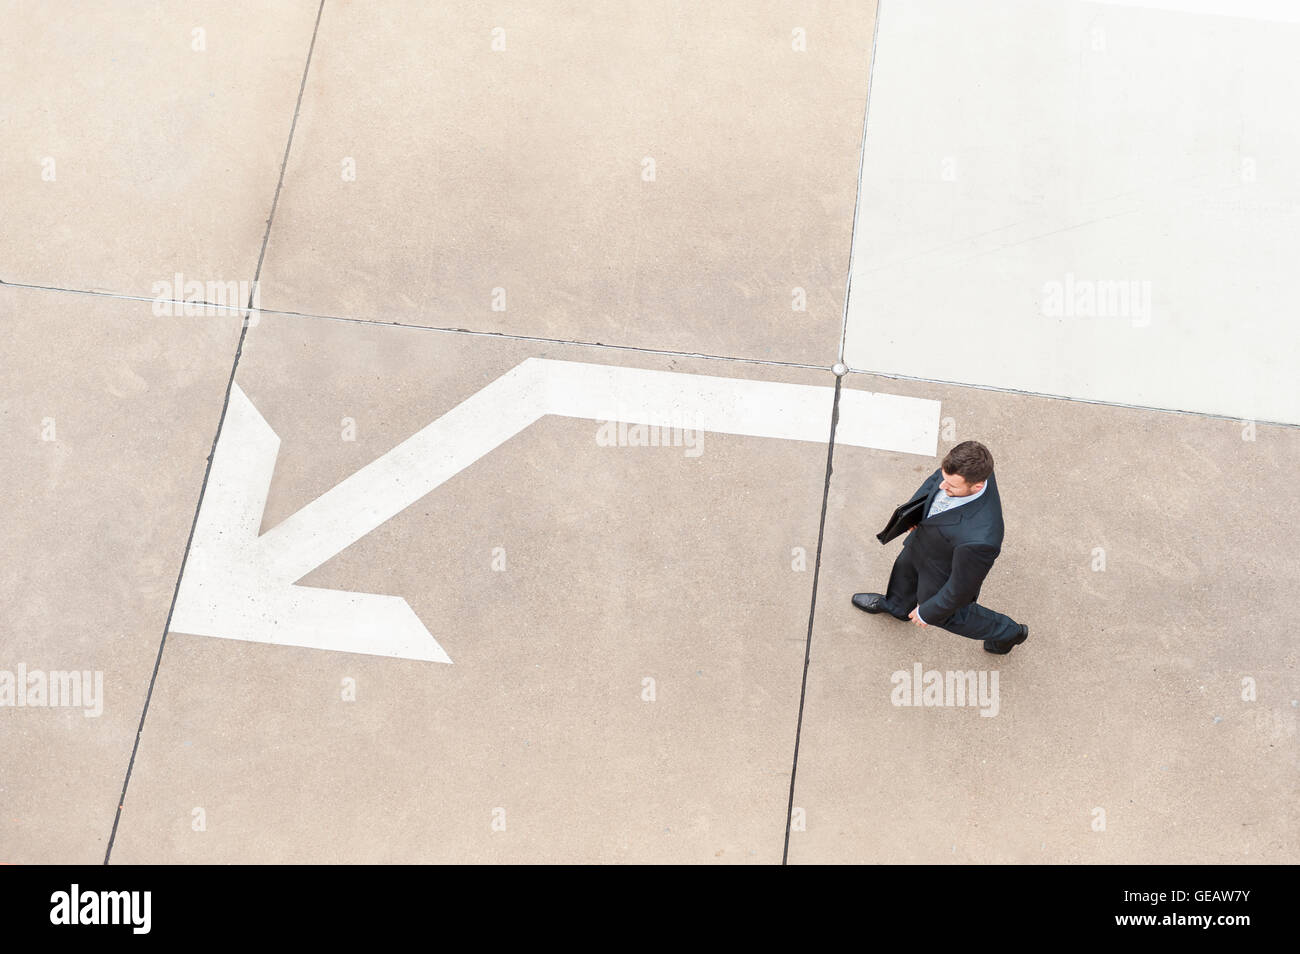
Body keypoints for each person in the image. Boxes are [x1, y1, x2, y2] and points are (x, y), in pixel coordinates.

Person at [852, 440, 1028, 654]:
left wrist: (927, 612)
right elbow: (934, 481)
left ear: (977, 486)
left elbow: (960, 589)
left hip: (941, 571)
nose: (943, 487)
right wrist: (915, 514)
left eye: (951, 486)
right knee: (903, 572)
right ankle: (897, 608)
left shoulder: (981, 540)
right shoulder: (967, 467)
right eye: (945, 478)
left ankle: (1009, 632)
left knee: (953, 616)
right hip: (921, 542)